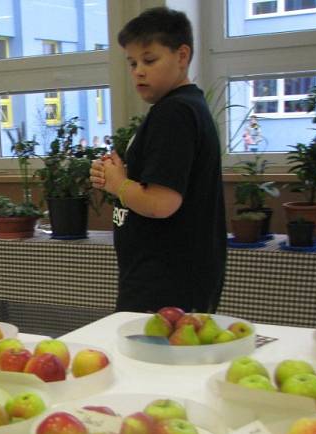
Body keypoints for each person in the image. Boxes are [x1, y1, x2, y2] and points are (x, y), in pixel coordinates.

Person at [90, 7, 226, 313]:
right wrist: (119, 177)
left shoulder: (175, 113)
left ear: (181, 56)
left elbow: (161, 203)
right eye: (133, 62)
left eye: (149, 60)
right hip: (168, 274)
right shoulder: (183, 108)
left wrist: (119, 184)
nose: (138, 70)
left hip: (165, 279)